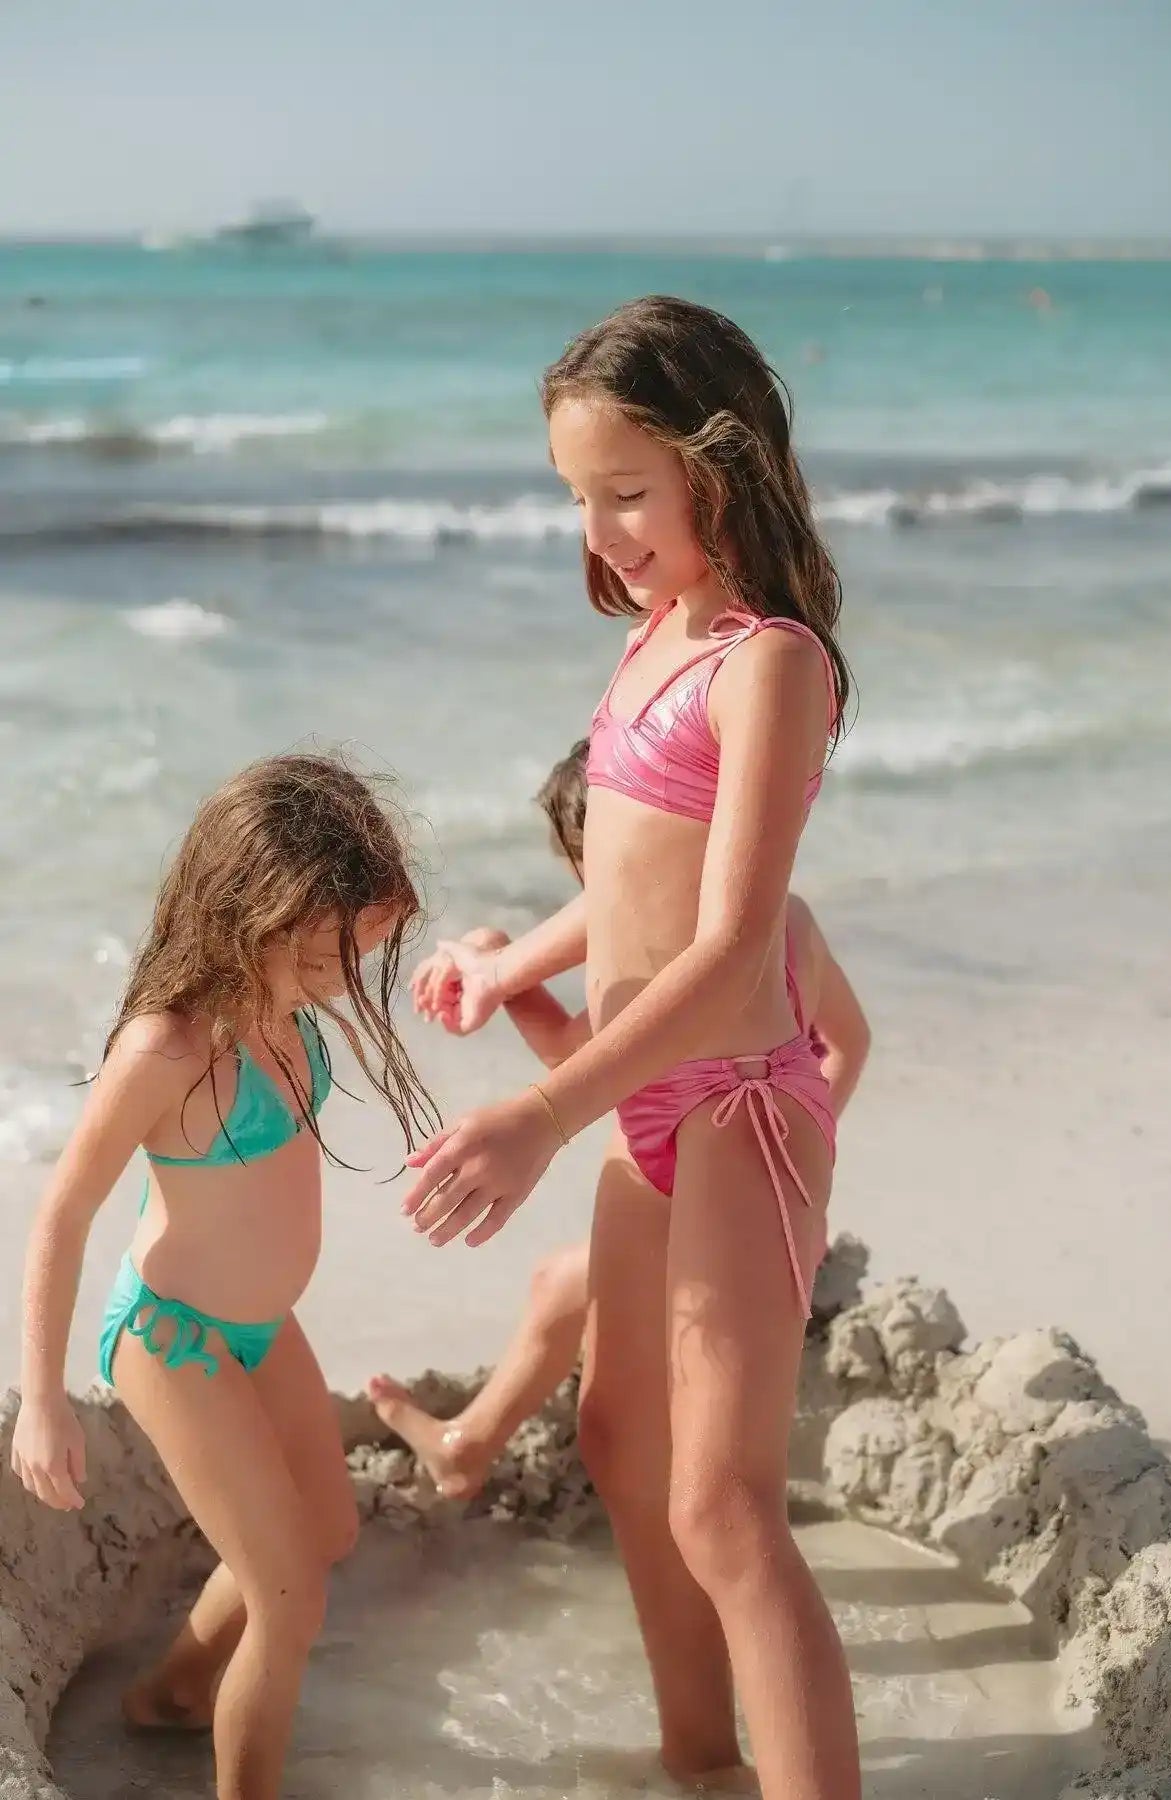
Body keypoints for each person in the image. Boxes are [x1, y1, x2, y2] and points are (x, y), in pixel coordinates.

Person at [400, 296, 862, 1798]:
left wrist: (538, 1114)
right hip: (651, 1100)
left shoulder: (768, 661)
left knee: (726, 1509)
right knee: (616, 1433)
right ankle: (695, 1759)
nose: (599, 531)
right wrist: (507, 964)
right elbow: (625, 888)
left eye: (625, 493)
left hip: (735, 1101)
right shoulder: (654, 639)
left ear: (719, 470)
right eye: (575, 500)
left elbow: (731, 952)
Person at [12, 752, 435, 1800]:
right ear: (259, 911)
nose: (349, 977)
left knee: (324, 1535)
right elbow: (62, 1215)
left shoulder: (285, 1016)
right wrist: (44, 1406)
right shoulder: (168, 1047)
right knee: (290, 1602)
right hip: (176, 1338)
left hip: (263, 1326)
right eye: (335, 954)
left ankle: (173, 1691)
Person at [371, 740, 869, 1506]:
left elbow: (578, 1061)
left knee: (581, 1321)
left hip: (707, 1197)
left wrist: (503, 967)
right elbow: (850, 1041)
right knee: (560, 1286)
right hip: (771, 1185)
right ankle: (469, 1441)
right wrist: (800, 1156)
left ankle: (470, 1446)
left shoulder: (658, 951)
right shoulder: (787, 918)